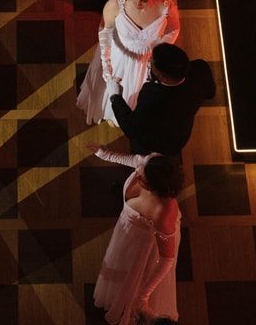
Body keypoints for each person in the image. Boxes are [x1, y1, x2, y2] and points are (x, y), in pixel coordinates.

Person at [87, 148, 184, 324]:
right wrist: (103, 153)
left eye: (142, 177)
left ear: (155, 186)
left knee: (133, 278)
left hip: (144, 247)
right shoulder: (152, 164)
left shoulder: (164, 213)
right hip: (127, 233)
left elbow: (166, 260)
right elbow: (135, 160)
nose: (138, 173)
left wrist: (143, 297)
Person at [110, 43, 215, 157]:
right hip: (180, 136)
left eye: (151, 65)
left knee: (141, 152)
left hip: (157, 144)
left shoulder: (151, 96)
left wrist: (116, 97)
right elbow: (211, 93)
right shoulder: (201, 68)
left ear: (164, 78)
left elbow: (131, 128)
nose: (149, 64)